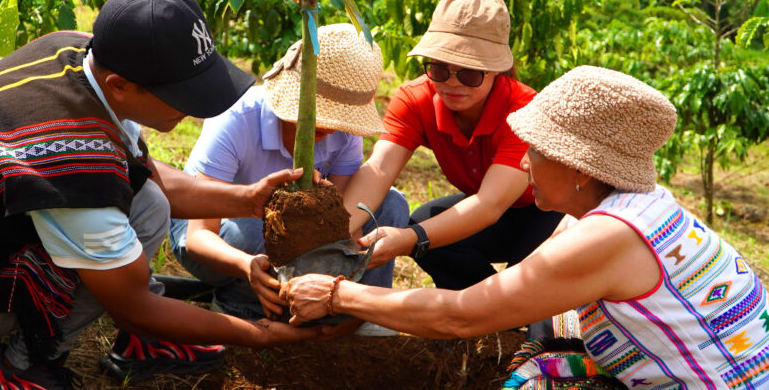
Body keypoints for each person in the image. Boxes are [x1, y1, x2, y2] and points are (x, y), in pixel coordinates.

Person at [282, 65, 769, 389]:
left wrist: (337, 295)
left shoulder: (606, 237)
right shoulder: (639, 207)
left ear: (580, 168)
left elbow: (460, 316)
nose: (525, 162)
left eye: (534, 149)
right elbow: (522, 289)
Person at [0, 0, 321, 390]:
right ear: (120, 86)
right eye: (180, 94)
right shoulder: (76, 172)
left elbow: (147, 177)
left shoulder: (77, 54)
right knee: (119, 263)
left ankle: (139, 346)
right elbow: (133, 308)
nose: (191, 109)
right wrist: (259, 333)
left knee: (148, 203)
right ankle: (18, 368)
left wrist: (249, 200)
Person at [169, 23, 409, 333]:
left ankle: (357, 315)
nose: (331, 129)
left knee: (388, 207)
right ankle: (242, 304)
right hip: (216, 230)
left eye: (341, 119)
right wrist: (246, 267)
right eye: (323, 115)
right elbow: (198, 236)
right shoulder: (238, 118)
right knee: (262, 233)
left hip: (294, 237)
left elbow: (345, 222)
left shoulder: (344, 133)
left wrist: (341, 268)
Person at [340, 0, 562, 290]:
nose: (452, 83)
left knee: (529, 287)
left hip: (549, 211)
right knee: (426, 228)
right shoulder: (415, 99)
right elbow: (379, 169)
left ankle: (515, 307)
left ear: (496, 69)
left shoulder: (523, 111)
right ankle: (487, 310)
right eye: (440, 68)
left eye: (469, 73)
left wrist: (409, 239)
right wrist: (337, 236)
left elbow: (488, 204)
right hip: (495, 217)